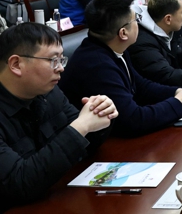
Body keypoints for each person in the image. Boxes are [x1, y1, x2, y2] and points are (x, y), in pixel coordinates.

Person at [59, 0, 182, 137]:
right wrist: (180, 101)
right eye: (136, 20)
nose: (139, 24)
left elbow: (141, 86)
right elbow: (133, 120)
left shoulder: (114, 47)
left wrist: (177, 92)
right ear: (123, 33)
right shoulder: (97, 65)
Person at [0, 23, 118, 211]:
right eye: (53, 60)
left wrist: (100, 114)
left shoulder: (49, 92)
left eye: (62, 60)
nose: (61, 68)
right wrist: (81, 126)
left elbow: (84, 145)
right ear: (16, 64)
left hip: (55, 196)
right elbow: (19, 183)